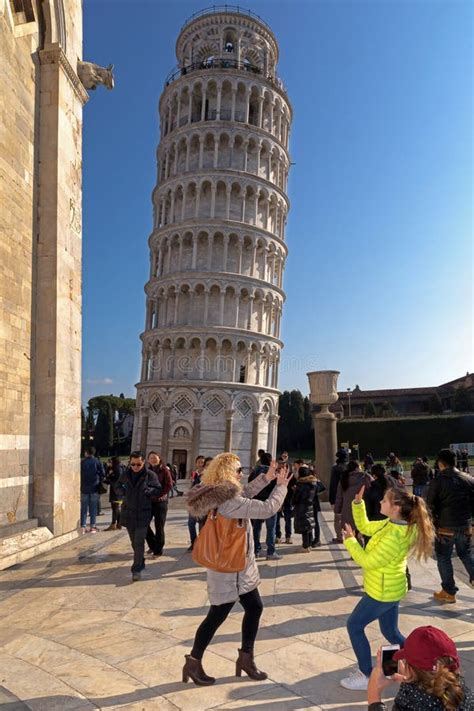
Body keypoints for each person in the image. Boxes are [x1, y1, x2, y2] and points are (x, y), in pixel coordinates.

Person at [183, 453, 291, 685]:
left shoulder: (221, 492)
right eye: (238, 470)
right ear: (227, 473)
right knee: (217, 615)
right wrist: (281, 487)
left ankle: (245, 658)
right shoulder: (229, 502)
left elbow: (245, 493)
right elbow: (267, 509)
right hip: (228, 569)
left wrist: (267, 478)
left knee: (254, 608)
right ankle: (193, 662)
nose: (242, 474)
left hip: (238, 567)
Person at [339, 485, 435, 691]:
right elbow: (365, 527)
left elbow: (367, 561)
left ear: (396, 507)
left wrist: (350, 541)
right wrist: (358, 504)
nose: (381, 502)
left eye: (384, 500)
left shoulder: (395, 536)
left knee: (354, 626)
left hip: (382, 592)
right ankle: (422, 663)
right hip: (390, 588)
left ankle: (366, 674)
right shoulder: (392, 523)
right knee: (390, 631)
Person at [367, 626, 474, 710]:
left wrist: (374, 697)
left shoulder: (410, 702)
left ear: (413, 669)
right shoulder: (460, 688)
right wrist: (409, 679)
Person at [426, 448, 474, 603]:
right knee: (466, 554)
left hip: (445, 527)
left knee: (444, 557)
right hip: (465, 524)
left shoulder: (438, 481)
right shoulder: (468, 478)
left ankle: (449, 591)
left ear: (441, 463)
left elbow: (429, 505)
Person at [116, 451, 162, 581]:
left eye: (138, 464)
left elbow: (158, 488)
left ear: (143, 463)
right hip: (128, 513)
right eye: (133, 464)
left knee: (139, 541)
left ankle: (136, 569)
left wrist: (149, 491)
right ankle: (140, 561)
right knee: (133, 541)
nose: (135, 467)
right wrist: (123, 492)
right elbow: (117, 486)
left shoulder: (150, 475)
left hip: (143, 513)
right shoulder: (126, 474)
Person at [249, 452, 281, 560]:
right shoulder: (273, 472)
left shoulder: (254, 472)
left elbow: (250, 485)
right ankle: (270, 552)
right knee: (271, 528)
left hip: (256, 502)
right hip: (270, 502)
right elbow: (277, 488)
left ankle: (256, 550)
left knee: (256, 527)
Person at [334, 460, 372, 541]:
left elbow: (339, 497)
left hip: (348, 511)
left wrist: (337, 510)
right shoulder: (365, 477)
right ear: (357, 467)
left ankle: (355, 551)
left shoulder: (344, 479)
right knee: (363, 534)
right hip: (363, 509)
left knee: (352, 536)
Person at [145, 451, 173, 556]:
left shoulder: (164, 470)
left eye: (154, 457)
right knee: (144, 524)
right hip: (149, 501)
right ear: (148, 460)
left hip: (161, 502)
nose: (153, 459)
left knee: (159, 526)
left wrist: (160, 494)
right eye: (151, 458)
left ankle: (158, 549)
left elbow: (169, 484)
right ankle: (153, 545)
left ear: (159, 458)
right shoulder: (146, 471)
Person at [292, 465, 317, 551]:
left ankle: (305, 546)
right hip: (310, 507)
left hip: (301, 507)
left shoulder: (300, 485)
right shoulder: (313, 483)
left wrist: (294, 491)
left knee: (304, 528)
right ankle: (309, 544)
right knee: (309, 526)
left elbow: (296, 498)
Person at [80, 447, 104, 534]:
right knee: (93, 508)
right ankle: (92, 526)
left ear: (86, 452)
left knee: (83, 508)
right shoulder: (97, 462)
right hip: (94, 487)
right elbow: (102, 473)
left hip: (84, 488)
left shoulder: (82, 462)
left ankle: (83, 526)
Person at [276, 459, 297, 544]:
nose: (282, 468)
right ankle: (277, 536)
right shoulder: (276, 475)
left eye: (284, 466)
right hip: (278, 499)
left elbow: (294, 488)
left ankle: (288, 536)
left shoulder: (291, 476)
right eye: (281, 466)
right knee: (277, 518)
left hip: (288, 499)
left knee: (288, 519)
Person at [188, 455, 206, 550]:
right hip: (193, 502)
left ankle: (201, 544)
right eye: (199, 462)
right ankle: (193, 542)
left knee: (201, 524)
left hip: (202, 503)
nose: (200, 464)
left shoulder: (207, 475)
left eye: (202, 462)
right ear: (196, 463)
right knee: (191, 523)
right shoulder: (194, 473)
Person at [329, 450, 348, 543]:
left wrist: (331, 499)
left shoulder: (335, 469)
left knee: (338, 518)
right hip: (350, 496)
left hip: (338, 496)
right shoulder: (350, 467)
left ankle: (340, 537)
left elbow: (333, 485)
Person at [104, 456, 125, 530]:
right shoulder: (117, 468)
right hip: (116, 491)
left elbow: (115, 480)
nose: (110, 463)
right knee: (116, 507)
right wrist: (108, 470)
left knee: (115, 507)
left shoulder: (117, 469)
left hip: (117, 491)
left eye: (111, 462)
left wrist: (109, 476)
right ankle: (119, 523)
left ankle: (113, 524)